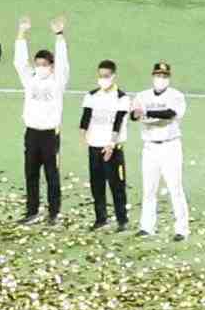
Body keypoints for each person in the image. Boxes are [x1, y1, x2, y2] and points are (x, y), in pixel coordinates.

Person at [10, 17, 68, 221]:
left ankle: (54, 212)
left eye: (44, 64)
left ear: (52, 66)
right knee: (31, 174)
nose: (40, 67)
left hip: (50, 134)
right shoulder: (30, 79)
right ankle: (32, 211)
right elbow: (18, 62)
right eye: (38, 64)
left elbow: (64, 63)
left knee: (52, 175)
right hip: (32, 133)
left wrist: (59, 36)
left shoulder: (58, 81)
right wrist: (21, 33)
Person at [132, 62, 191, 237]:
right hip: (150, 147)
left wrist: (147, 113)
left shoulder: (176, 96)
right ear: (153, 76)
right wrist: (137, 114)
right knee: (149, 188)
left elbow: (170, 114)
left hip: (170, 146)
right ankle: (146, 227)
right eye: (158, 75)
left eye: (164, 76)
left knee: (175, 188)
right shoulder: (142, 95)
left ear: (169, 78)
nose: (161, 79)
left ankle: (182, 229)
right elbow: (133, 115)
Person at [79, 58, 132, 233]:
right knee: (97, 184)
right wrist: (83, 135)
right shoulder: (91, 96)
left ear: (113, 76)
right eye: (100, 76)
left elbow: (118, 122)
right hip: (94, 146)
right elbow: (86, 118)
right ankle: (101, 218)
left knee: (117, 185)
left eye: (106, 76)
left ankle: (122, 219)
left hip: (113, 149)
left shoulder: (122, 98)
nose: (103, 79)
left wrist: (111, 144)